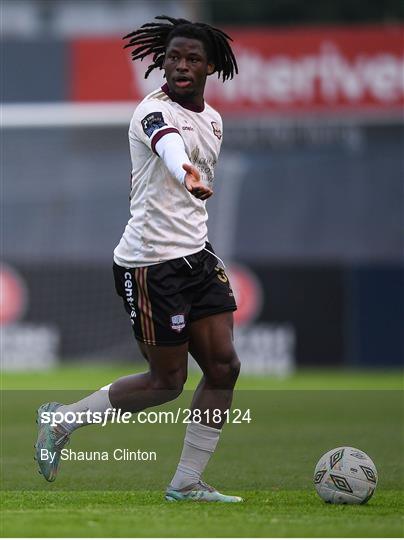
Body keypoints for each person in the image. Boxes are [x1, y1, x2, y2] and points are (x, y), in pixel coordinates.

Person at [35, 15, 241, 503]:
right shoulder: (151, 111)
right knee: (166, 382)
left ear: (210, 65)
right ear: (161, 63)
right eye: (173, 57)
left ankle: (187, 482)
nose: (181, 65)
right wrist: (185, 170)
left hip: (197, 256)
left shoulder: (213, 119)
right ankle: (62, 421)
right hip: (150, 265)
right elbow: (166, 143)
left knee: (225, 367)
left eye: (192, 58)